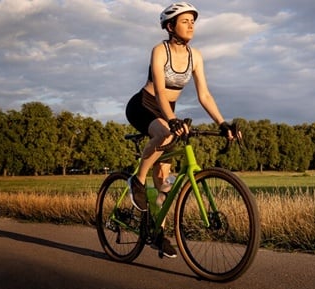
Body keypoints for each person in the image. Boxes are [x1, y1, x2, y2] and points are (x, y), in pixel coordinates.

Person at [125, 2, 241, 258]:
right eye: (185, 21)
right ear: (170, 26)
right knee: (166, 132)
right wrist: (172, 119)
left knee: (165, 181)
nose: (191, 25)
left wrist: (222, 123)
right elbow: (159, 90)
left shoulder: (195, 56)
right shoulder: (160, 51)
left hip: (168, 113)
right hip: (144, 106)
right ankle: (137, 180)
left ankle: (158, 234)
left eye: (193, 21)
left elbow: (205, 95)